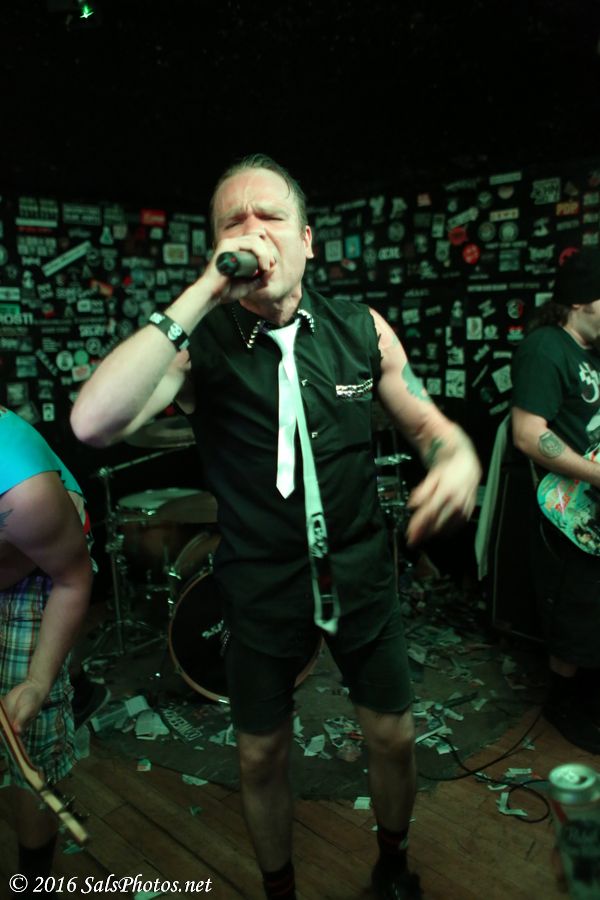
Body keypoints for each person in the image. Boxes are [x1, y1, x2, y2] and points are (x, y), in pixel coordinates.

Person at [71, 153, 481, 900]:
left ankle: (393, 864)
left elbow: (432, 429)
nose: (253, 232)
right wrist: (205, 291)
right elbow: (92, 422)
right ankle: (280, 889)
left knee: (391, 734)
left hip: (359, 568)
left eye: (271, 217)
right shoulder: (200, 344)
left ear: (307, 240)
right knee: (261, 753)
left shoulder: (361, 330)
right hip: (259, 579)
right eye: (234, 222)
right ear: (215, 247)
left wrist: (458, 459)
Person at [0, 406, 93, 897]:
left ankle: (33, 882)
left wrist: (37, 682)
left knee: (27, 743)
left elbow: (73, 581)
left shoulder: (24, 491)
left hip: (34, 576)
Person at [511, 246, 600, 754]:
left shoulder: (591, 353)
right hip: (567, 507)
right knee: (574, 606)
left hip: (593, 500)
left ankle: (587, 697)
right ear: (582, 301)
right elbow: (528, 435)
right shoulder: (545, 348)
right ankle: (561, 704)